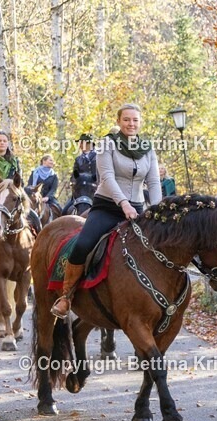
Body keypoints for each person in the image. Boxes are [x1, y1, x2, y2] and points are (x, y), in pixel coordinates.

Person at [51, 104, 160, 318]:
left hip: (138, 209)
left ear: (140, 122)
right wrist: (123, 204)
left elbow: (154, 181)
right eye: (126, 119)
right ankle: (67, 296)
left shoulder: (148, 148)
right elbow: (107, 176)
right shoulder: (106, 144)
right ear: (119, 121)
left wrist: (156, 210)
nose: (131, 123)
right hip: (108, 207)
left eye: (135, 120)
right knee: (83, 244)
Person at [61, 134, 98, 214]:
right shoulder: (78, 159)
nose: (79, 145)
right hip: (81, 190)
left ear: (89, 143)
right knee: (64, 211)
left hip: (96, 190)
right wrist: (73, 183)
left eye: (81, 143)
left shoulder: (100, 156)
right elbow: (74, 175)